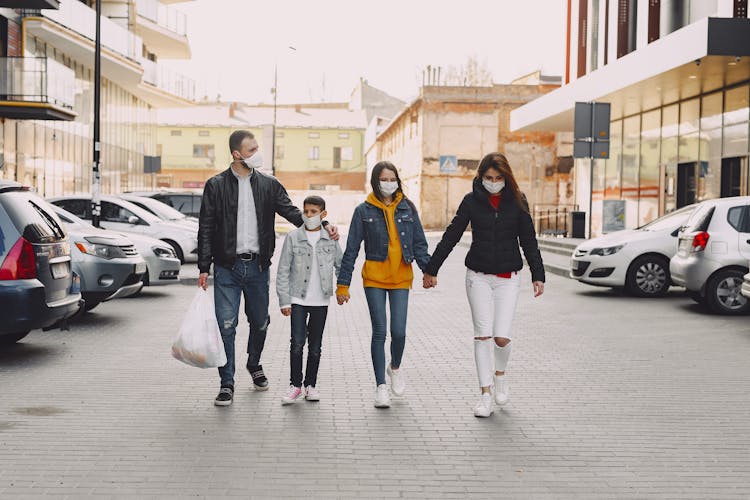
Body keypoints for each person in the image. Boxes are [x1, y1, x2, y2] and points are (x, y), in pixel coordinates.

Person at [198, 130, 337, 407]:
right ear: (237, 154)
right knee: (227, 325)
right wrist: (204, 266)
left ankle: (254, 362)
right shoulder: (215, 185)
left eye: (256, 148)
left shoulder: (269, 185)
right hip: (227, 267)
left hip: (258, 267)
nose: (257, 153)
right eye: (251, 150)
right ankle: (227, 383)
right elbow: (206, 227)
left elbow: (293, 213)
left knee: (260, 322)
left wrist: (321, 225)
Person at [423, 153, 545, 418]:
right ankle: (485, 394)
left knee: (501, 337)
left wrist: (538, 274)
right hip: (477, 276)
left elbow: (528, 239)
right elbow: (452, 234)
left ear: (506, 178)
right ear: (481, 177)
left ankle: (500, 376)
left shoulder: (517, 201)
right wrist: (432, 269)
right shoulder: (471, 201)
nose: (493, 182)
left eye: (499, 178)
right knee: (482, 335)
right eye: (489, 178)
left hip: (507, 278)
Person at [336, 161, 431, 409]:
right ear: (376, 182)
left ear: (398, 181)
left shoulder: (408, 208)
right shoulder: (363, 210)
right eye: (384, 179)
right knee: (380, 331)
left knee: (399, 331)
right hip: (374, 278)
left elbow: (420, 243)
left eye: (392, 179)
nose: (389, 183)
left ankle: (395, 367)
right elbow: (352, 249)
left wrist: (428, 271)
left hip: (401, 277)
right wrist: (343, 284)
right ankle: (380, 387)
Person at [276, 195, 342, 405]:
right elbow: (283, 270)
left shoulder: (330, 238)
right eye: (306, 212)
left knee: (315, 346)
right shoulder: (294, 237)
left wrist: (343, 288)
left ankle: (310, 386)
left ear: (323, 214)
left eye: (314, 212)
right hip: (298, 299)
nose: (309, 215)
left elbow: (341, 265)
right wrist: (284, 300)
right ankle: (295, 386)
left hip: (320, 301)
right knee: (297, 343)